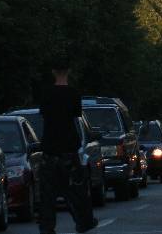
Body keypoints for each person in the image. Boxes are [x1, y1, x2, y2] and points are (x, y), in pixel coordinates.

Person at [38, 59, 98, 234]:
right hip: (69, 149)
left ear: (53, 72)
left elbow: (44, 116)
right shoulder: (73, 94)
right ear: (69, 71)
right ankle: (84, 221)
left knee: (47, 193)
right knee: (76, 189)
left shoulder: (47, 93)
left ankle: (47, 227)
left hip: (50, 148)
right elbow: (75, 115)